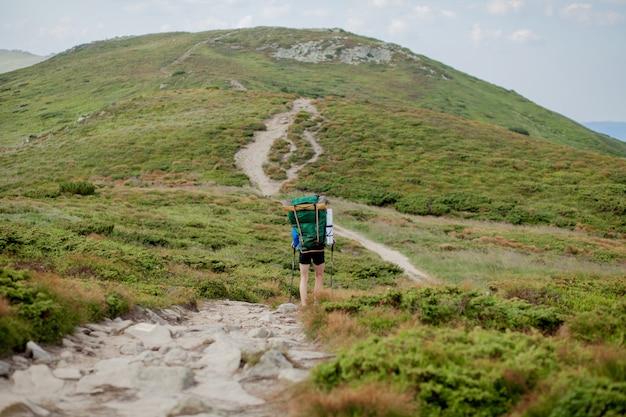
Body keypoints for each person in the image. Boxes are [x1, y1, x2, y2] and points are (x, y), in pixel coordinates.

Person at [292, 227, 325, 307]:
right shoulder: (319, 216)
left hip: (304, 249)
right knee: (319, 276)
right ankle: (316, 303)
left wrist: (295, 243)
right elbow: (325, 230)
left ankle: (304, 304)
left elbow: (295, 232)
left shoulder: (299, 217)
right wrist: (330, 240)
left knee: (303, 277)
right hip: (318, 249)